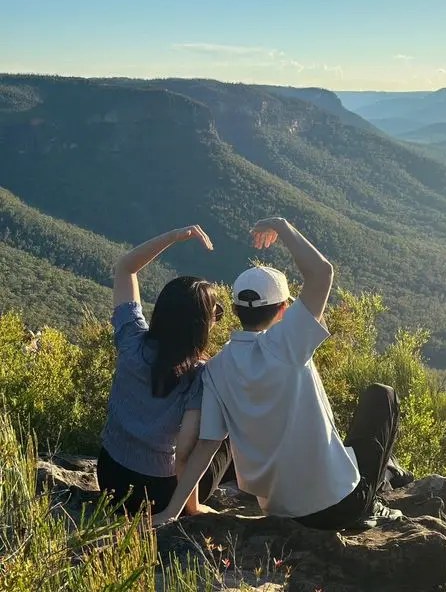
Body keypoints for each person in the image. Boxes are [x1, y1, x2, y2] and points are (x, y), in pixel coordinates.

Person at [153, 217, 404, 530]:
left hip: (281, 511)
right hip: (341, 505)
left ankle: (389, 474)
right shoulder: (289, 341)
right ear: (285, 308)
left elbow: (207, 446)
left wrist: (172, 511)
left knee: (364, 454)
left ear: (235, 310)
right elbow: (321, 272)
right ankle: (376, 499)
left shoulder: (215, 370)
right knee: (382, 395)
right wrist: (283, 227)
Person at [97, 225, 232, 516]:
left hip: (110, 479)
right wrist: (191, 508)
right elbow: (186, 452)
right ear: (199, 327)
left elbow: (125, 267)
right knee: (224, 434)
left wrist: (174, 236)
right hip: (158, 492)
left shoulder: (131, 339)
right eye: (215, 314)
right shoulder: (200, 376)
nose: (218, 318)